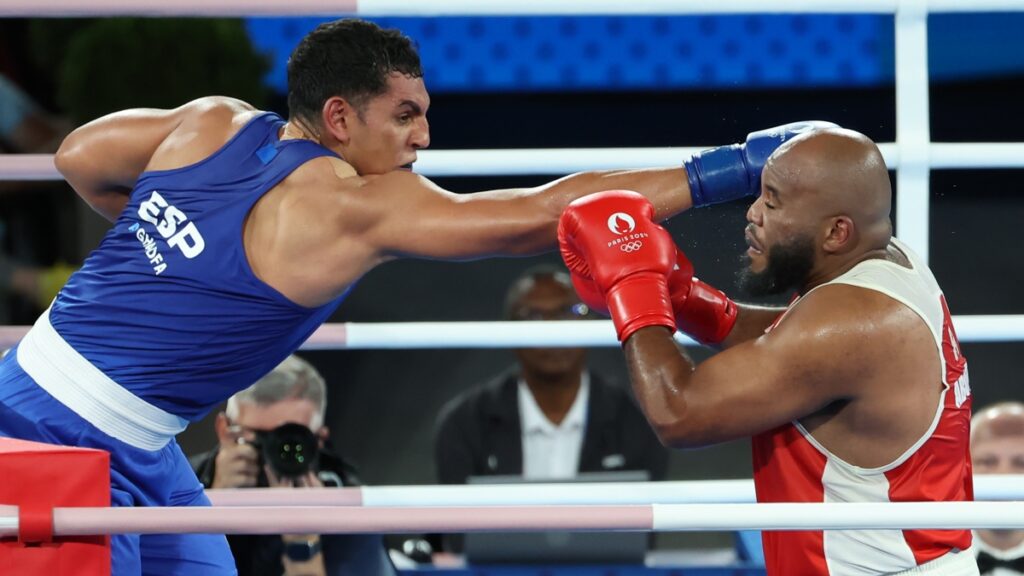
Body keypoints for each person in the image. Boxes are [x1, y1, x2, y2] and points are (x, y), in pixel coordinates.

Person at [0, 15, 825, 574]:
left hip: (84, 412)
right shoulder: (356, 208)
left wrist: (170, 246)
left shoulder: (211, 120)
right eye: (405, 117)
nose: (424, 137)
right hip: (59, 446)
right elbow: (537, 215)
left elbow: (78, 155)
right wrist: (732, 169)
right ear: (338, 116)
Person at [558, 127, 977, 574]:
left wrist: (633, 286)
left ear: (837, 232)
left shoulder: (852, 322)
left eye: (773, 201)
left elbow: (678, 413)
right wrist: (680, 297)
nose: (753, 213)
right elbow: (789, 344)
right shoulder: (887, 262)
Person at [434, 264, 668, 482]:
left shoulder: (634, 421)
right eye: (532, 316)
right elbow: (455, 525)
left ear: (592, 320)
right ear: (507, 327)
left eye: (569, 312)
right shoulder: (466, 422)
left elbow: (643, 521)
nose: (552, 330)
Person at [190, 354, 395, 576]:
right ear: (224, 429)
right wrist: (211, 508)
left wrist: (304, 547)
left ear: (318, 439)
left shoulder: (348, 507)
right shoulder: (182, 486)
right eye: (259, 439)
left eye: (290, 439)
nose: (274, 453)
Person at [971, 402, 1024, 575]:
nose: (1003, 475)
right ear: (964, 466)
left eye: (1021, 463)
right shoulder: (926, 553)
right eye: (987, 461)